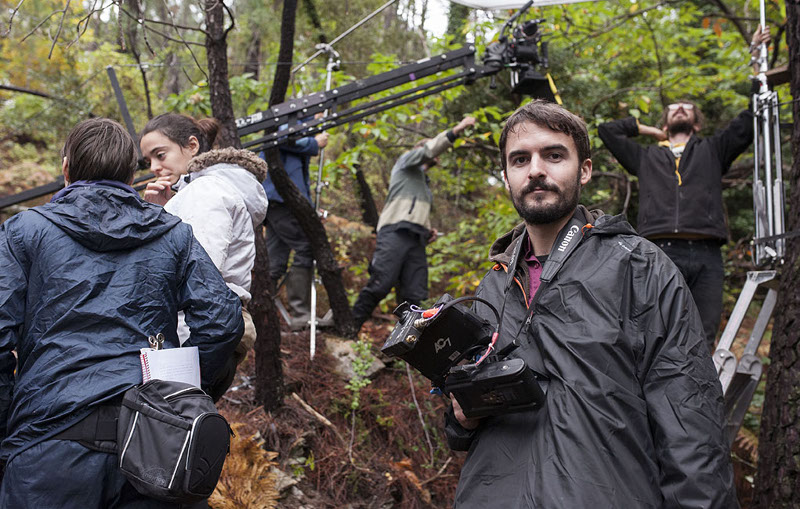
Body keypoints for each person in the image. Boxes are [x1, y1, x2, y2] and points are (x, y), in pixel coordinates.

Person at [445, 101, 737, 508]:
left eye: (554, 155)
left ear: (584, 169)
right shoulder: (493, 284)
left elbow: (691, 425)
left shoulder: (640, 267)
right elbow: (464, 428)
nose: (535, 170)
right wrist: (462, 416)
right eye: (520, 159)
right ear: (507, 177)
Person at [0, 118, 243, 507]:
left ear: (66, 169)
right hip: (156, 444)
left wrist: (8, 426)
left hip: (48, 442)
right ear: (131, 173)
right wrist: (185, 396)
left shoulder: (25, 231)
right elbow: (223, 322)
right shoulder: (172, 233)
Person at [597, 28, 770, 351]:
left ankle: (698, 401)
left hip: (707, 256)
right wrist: (645, 129)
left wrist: (757, 61)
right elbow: (606, 131)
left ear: (697, 123)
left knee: (702, 340)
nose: (680, 108)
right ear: (664, 124)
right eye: (674, 106)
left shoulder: (714, 149)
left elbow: (750, 118)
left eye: (687, 106)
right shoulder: (646, 157)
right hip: (658, 252)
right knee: (655, 337)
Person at [141, 113, 268, 400]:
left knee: (172, 430)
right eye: (148, 160)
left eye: (160, 155)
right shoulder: (197, 192)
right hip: (206, 331)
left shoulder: (206, 191)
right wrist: (162, 212)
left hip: (194, 333)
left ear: (192, 146)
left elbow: (198, 270)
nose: (154, 167)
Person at [351, 116, 476, 330]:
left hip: (416, 239)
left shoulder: (423, 183)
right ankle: (350, 327)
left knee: (415, 294)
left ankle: (406, 346)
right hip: (395, 232)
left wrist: (428, 230)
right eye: (429, 146)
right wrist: (457, 129)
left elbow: (415, 209)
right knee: (380, 284)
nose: (434, 153)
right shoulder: (404, 163)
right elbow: (428, 151)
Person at [261, 132, 330, 330]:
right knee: (306, 247)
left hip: (278, 200)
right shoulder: (293, 122)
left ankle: (262, 313)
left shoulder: (299, 124)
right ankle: (301, 314)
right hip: (282, 200)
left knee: (275, 261)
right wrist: (313, 143)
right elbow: (282, 137)